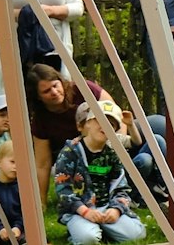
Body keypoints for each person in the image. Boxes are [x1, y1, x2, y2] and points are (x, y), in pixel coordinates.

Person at [52, 101, 145, 243]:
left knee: (137, 234)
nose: (105, 126)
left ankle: (101, 228)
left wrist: (116, 209)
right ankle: (83, 230)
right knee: (88, 239)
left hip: (106, 208)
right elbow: (63, 190)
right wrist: (85, 212)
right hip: (79, 210)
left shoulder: (112, 154)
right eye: (100, 120)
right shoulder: (69, 152)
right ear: (88, 122)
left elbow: (121, 187)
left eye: (112, 124)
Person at [24, 64, 119, 200]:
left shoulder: (83, 89)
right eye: (46, 91)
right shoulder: (40, 120)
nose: (54, 92)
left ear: (61, 82)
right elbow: (42, 164)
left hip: (110, 143)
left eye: (55, 85)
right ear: (38, 97)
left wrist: (118, 146)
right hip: (79, 159)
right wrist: (41, 201)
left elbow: (115, 113)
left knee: (155, 132)